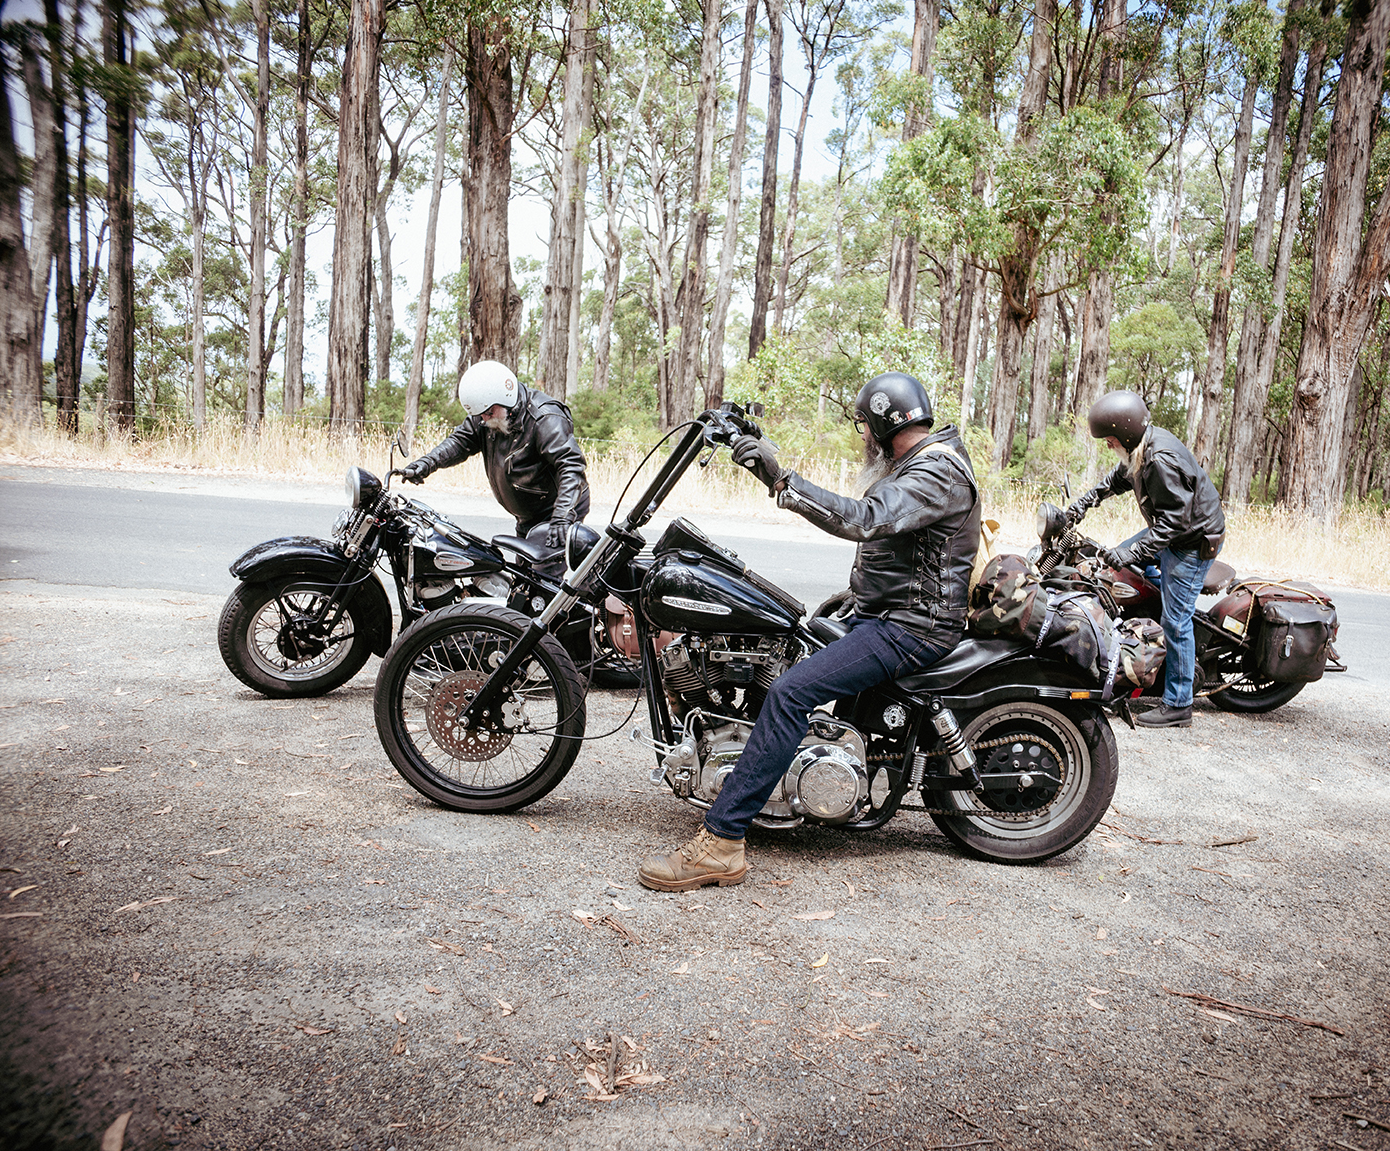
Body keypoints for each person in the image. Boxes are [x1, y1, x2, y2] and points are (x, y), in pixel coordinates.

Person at [637, 371, 981, 892]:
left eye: (865, 425)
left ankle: (722, 843)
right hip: (884, 613)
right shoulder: (918, 462)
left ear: (886, 423)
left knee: (790, 693)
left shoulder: (937, 471)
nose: (862, 435)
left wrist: (784, 481)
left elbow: (866, 520)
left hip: (911, 627)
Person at [1066, 389, 1225, 728]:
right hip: (1175, 529)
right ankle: (1148, 620)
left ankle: (1179, 705)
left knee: (1176, 620)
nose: (1108, 445)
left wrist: (1130, 553)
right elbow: (1119, 478)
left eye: (1109, 439)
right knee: (1118, 571)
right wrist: (1084, 503)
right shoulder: (1140, 447)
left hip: (1191, 541)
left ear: (1124, 433)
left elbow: (1174, 524)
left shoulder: (1159, 460)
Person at [401, 360, 590, 560]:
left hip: (557, 508)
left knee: (543, 574)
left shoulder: (544, 418)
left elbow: (571, 465)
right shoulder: (487, 413)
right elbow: (459, 442)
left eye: (489, 412)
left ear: (507, 398)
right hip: (529, 513)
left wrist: (562, 516)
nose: (483, 419)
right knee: (524, 574)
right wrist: (426, 463)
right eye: (479, 414)